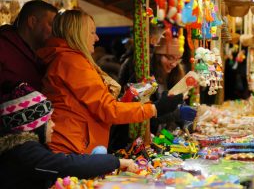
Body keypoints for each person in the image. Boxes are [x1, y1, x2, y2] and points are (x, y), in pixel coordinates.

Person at [36, 10, 182, 154]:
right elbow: (108, 110)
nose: (97, 38)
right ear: (78, 34)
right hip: (71, 147)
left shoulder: (69, 60)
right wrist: (155, 109)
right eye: (92, 32)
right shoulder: (72, 62)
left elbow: (101, 105)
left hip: (74, 144)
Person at [0, 82, 139, 189]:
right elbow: (66, 165)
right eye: (48, 121)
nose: (53, 125)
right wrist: (116, 162)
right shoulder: (25, 152)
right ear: (35, 126)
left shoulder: (23, 148)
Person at [109, 29, 197, 150]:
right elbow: (141, 115)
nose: (174, 64)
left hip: (156, 140)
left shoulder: (174, 74)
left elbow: (173, 103)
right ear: (156, 55)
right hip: (129, 144)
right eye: (170, 57)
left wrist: (184, 122)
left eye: (178, 59)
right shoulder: (143, 74)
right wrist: (177, 113)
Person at [0, 0, 57, 94]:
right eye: (51, 25)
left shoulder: (43, 54)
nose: (55, 31)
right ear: (32, 22)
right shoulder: (3, 46)